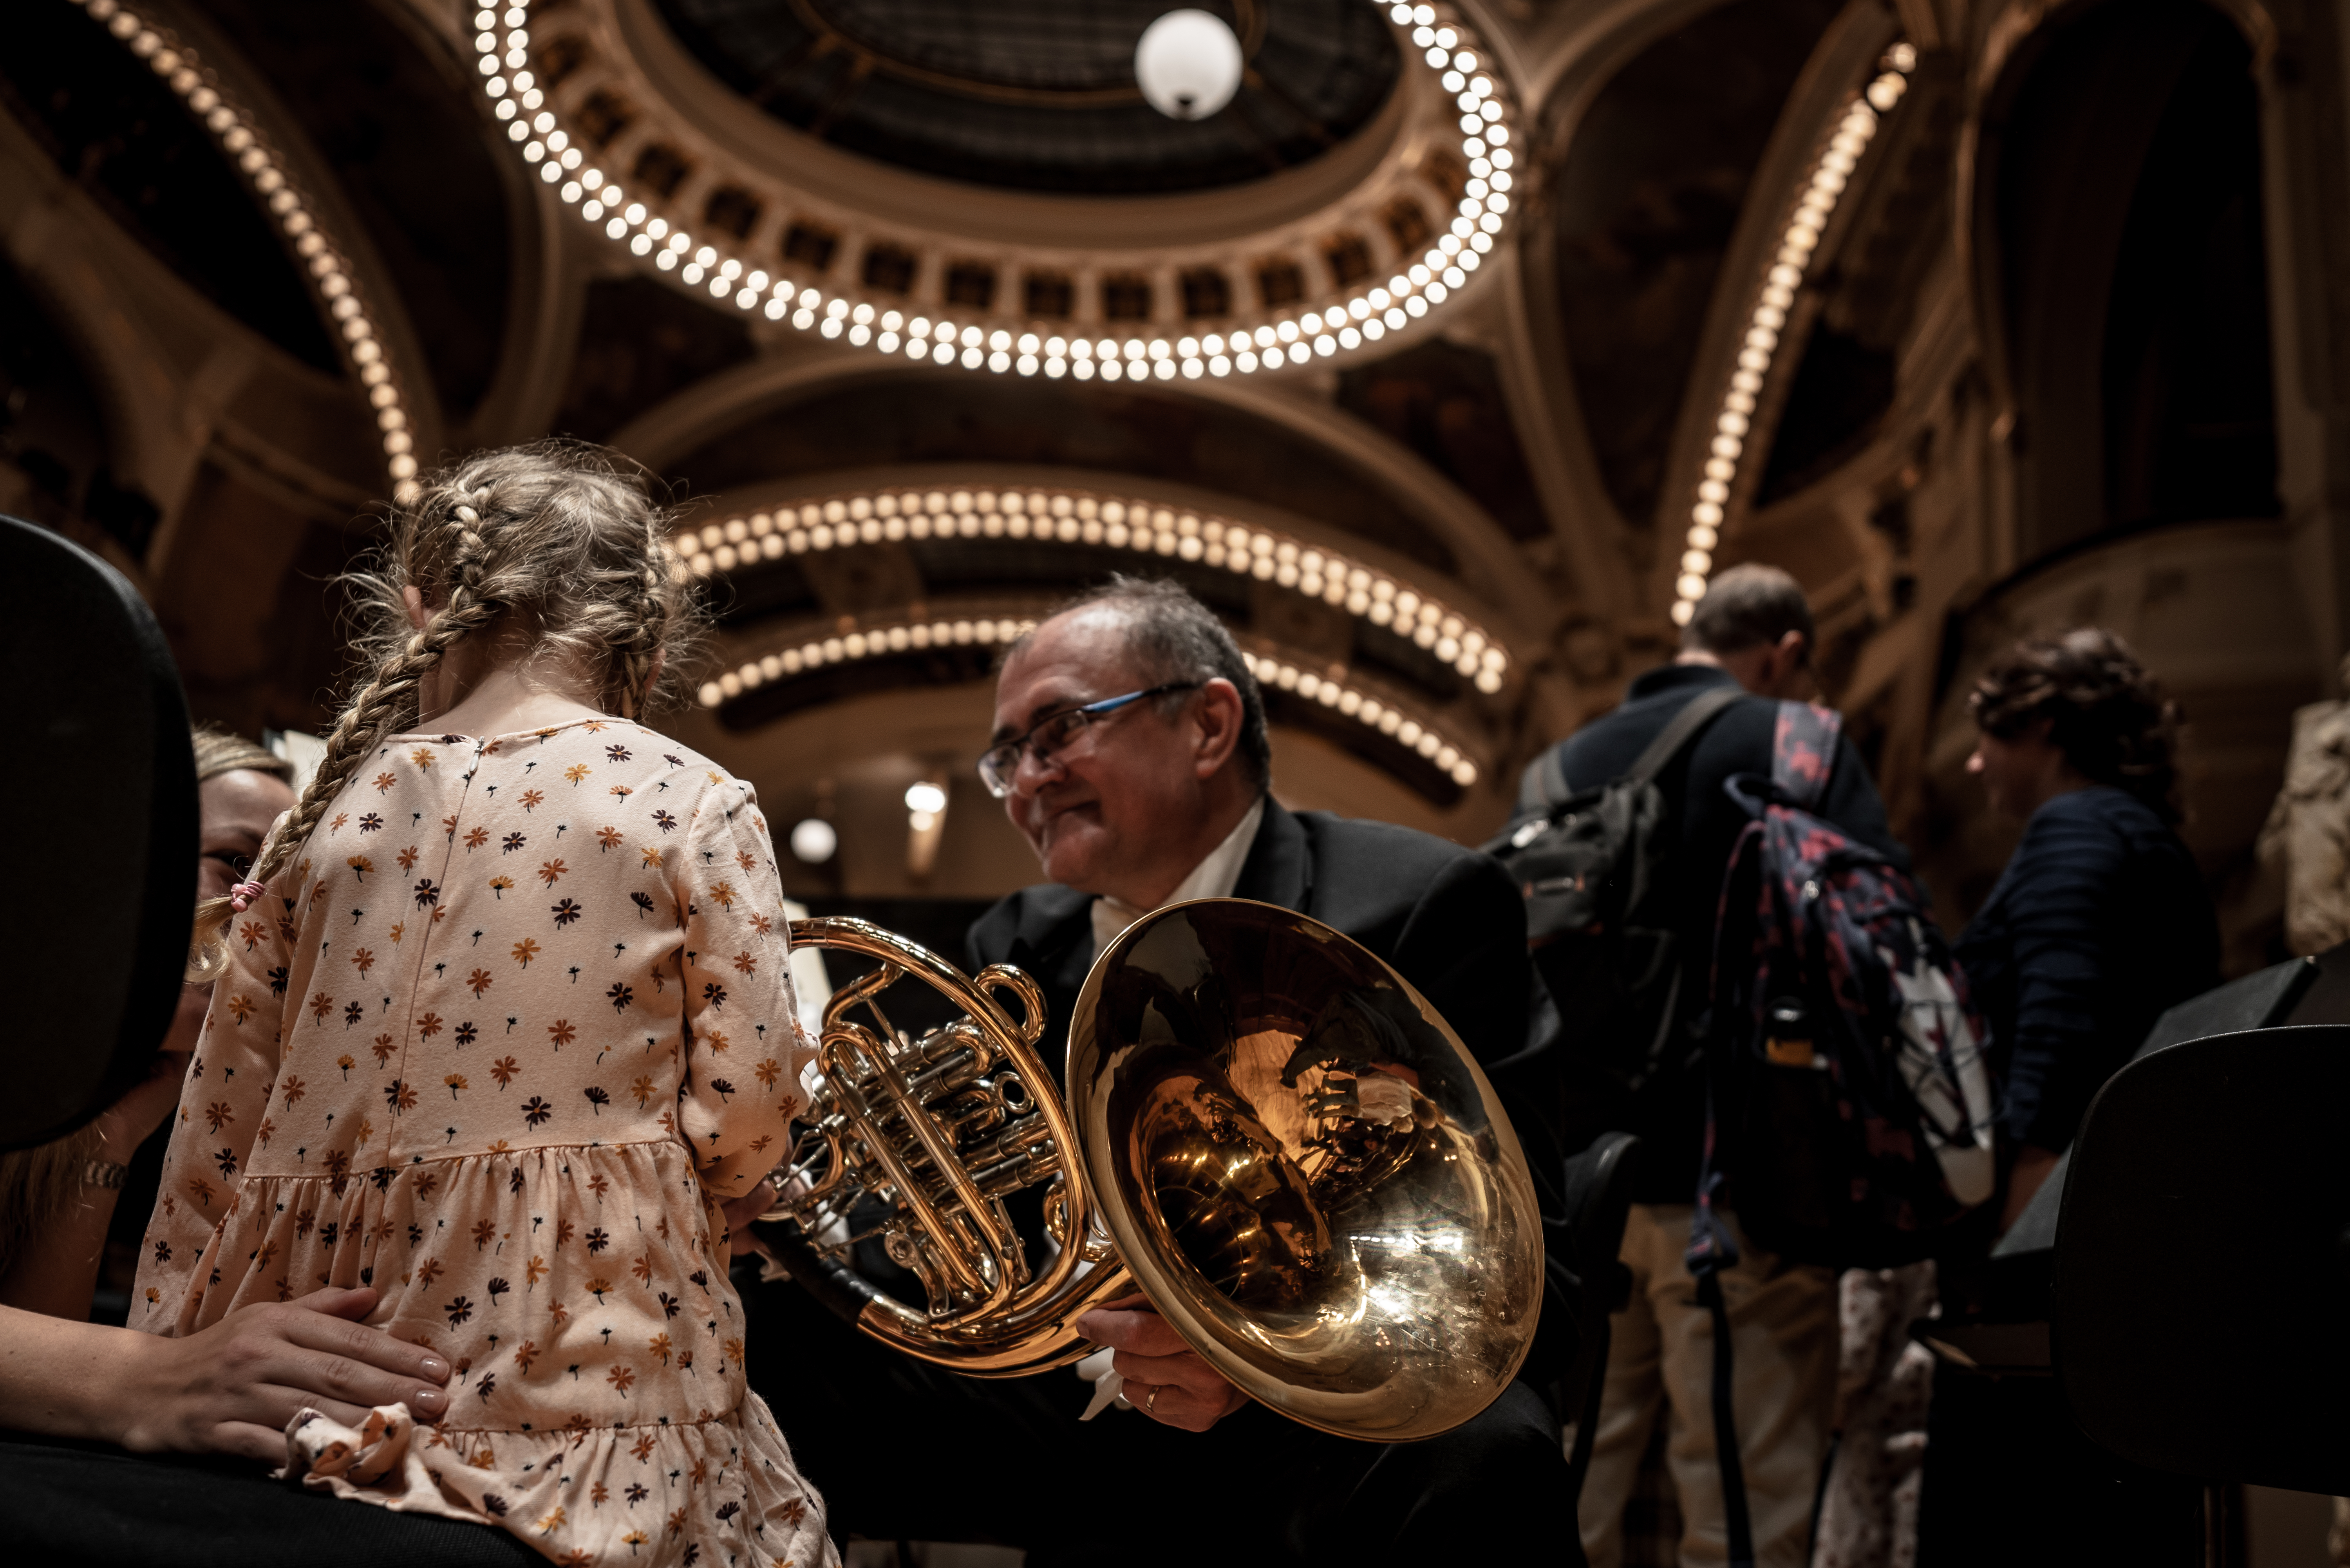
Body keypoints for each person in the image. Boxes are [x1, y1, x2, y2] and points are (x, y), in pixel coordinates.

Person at [731, 575, 1571, 1565]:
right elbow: (976, 1228)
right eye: (1008, 757)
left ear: (1208, 724)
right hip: (1062, 1393)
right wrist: (785, 1216)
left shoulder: (1418, 902)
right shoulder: (1020, 936)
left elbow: (1525, 1266)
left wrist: (1246, 1365)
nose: (1028, 780)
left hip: (1296, 1414)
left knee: (1486, 1451)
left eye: (1058, 731)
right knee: (737, 1353)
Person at [133, 442, 832, 1568]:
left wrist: (170, 1348)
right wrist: (734, 1179)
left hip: (324, 1365)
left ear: (420, 609)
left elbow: (220, 1129)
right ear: (638, 637)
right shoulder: (689, 798)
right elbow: (746, 1110)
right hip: (581, 1372)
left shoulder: (319, 824)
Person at [1524, 564, 1907, 1568]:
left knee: (1580, 1498)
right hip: (1742, 1187)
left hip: (1585, 1192)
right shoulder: (1794, 738)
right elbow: (1879, 947)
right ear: (1783, 653)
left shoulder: (1551, 774)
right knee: (1748, 1504)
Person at [1917, 628, 2218, 1566]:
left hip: (2057, 1258)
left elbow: (2058, 1037)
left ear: (2043, 726)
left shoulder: (2076, 828)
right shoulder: (2148, 837)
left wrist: (2013, 1246)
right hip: (2132, 1249)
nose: (1973, 763)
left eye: (1988, 736)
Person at [0, 727, 295, 1321]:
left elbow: (44, 1388)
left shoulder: (190, 1118)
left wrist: (111, 1134)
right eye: (237, 865)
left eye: (294, 898)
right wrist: (161, 1376)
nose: (264, 923)